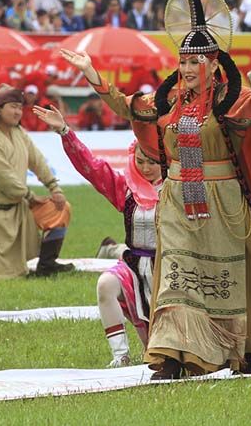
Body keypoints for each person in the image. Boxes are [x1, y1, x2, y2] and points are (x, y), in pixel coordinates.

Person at [59, 0, 251, 378]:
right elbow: (130, 107)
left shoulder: (229, 100)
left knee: (229, 277)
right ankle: (172, 355)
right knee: (175, 278)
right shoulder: (169, 102)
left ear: (213, 64)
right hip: (176, 200)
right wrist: (94, 76)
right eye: (183, 61)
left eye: (196, 62)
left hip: (223, 200)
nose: (188, 68)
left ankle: (237, 349)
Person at [33, 104, 161, 367]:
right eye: (140, 161)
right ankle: (120, 356)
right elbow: (91, 168)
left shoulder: (177, 189)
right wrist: (66, 132)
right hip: (134, 264)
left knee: (158, 355)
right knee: (106, 284)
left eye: (152, 162)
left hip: (168, 268)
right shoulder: (126, 189)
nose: (146, 168)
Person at [0, 86, 73, 281]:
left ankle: (46, 265)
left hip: (20, 207)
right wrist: (31, 197)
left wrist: (54, 188)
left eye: (20, 107)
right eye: (13, 106)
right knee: (3, 274)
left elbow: (38, 161)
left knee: (60, 208)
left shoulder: (19, 133)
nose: (18, 112)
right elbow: (5, 179)